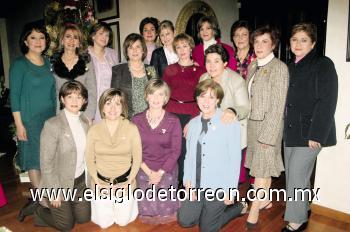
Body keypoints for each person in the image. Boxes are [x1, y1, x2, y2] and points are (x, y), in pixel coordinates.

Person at [282, 23, 338, 232]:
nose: (298, 44)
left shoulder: (323, 64)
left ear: (313, 43)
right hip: (291, 130)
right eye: (295, 39)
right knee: (297, 174)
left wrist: (317, 134)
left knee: (297, 174)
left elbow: (328, 101)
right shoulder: (289, 66)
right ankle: (303, 207)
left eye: (304, 39)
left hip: (312, 132)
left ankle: (297, 220)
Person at [177, 79, 248, 232]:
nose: (206, 101)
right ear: (197, 99)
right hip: (196, 183)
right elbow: (188, 156)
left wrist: (231, 189)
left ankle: (239, 207)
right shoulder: (193, 124)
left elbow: (235, 159)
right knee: (184, 220)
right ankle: (207, 212)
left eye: (211, 97)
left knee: (207, 228)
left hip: (218, 186)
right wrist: (187, 181)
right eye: (202, 96)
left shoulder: (230, 123)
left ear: (218, 100)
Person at [9, 21, 56, 221]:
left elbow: (53, 92)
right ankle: (41, 200)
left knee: (47, 158)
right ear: (26, 41)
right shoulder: (19, 65)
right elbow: (15, 97)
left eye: (42, 37)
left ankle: (44, 195)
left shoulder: (48, 63)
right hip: (29, 120)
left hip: (49, 118)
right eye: (33, 37)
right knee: (34, 160)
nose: (38, 41)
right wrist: (19, 125)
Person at [244, 25, 289, 228]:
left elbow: (277, 107)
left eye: (265, 41)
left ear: (273, 44)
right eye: (256, 41)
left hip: (268, 126)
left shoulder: (279, 68)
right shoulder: (253, 66)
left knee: (262, 170)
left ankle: (254, 209)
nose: (259, 45)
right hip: (252, 125)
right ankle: (265, 200)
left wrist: (267, 137)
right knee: (263, 168)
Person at [34, 81, 91, 231]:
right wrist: (54, 192)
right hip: (58, 182)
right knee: (66, 225)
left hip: (79, 182)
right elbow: (46, 163)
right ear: (62, 99)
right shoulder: (52, 125)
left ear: (84, 100)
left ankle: (69, 205)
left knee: (84, 218)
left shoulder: (85, 121)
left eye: (79, 97)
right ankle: (38, 211)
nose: (74, 101)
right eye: (69, 96)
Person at [85, 88, 142, 228]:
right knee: (104, 224)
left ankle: (130, 201)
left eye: (117, 104)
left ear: (123, 107)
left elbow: (137, 157)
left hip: (125, 182)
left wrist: (129, 182)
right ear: (102, 107)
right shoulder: (94, 130)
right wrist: (97, 182)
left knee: (123, 222)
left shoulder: (131, 128)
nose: (113, 108)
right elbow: (89, 158)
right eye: (108, 103)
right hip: (101, 183)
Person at [132, 79, 181, 224]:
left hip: (166, 167)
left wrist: (159, 173)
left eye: (160, 95)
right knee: (147, 197)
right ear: (146, 96)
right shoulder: (136, 120)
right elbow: (135, 150)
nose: (156, 99)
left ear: (166, 98)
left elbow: (176, 151)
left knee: (164, 198)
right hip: (143, 166)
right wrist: (148, 172)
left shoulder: (173, 120)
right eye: (152, 94)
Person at [199, 44, 250, 183]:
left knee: (228, 175)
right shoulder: (203, 78)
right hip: (211, 132)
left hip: (231, 131)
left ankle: (230, 201)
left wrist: (232, 110)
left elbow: (245, 107)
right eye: (208, 61)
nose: (212, 65)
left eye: (216, 61)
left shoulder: (236, 80)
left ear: (225, 63)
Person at [162, 33, 206, 187]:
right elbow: (164, 94)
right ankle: (171, 182)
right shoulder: (169, 69)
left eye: (185, 46)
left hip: (191, 114)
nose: (182, 50)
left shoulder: (200, 71)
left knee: (188, 152)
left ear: (191, 47)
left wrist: (193, 120)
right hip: (172, 113)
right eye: (178, 47)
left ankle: (185, 183)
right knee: (172, 150)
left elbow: (202, 96)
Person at [51, 24, 97, 121]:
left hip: (82, 113)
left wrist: (88, 117)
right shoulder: (53, 62)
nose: (72, 40)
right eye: (68, 36)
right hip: (61, 114)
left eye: (75, 37)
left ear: (79, 42)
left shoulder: (86, 61)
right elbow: (54, 92)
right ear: (62, 40)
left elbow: (92, 91)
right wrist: (57, 117)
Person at [230, 20, 256, 185]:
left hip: (251, 104)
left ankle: (254, 181)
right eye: (237, 35)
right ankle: (237, 177)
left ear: (250, 37)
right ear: (232, 38)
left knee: (251, 143)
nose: (240, 38)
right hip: (232, 105)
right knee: (235, 141)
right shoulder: (229, 56)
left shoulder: (256, 57)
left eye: (244, 34)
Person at [111, 33, 158, 118]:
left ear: (143, 50)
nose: (134, 50)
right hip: (127, 120)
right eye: (131, 47)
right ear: (127, 51)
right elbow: (114, 99)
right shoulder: (118, 70)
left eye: (138, 47)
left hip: (149, 118)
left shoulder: (151, 69)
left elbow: (157, 95)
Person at [88, 22, 119, 122]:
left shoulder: (113, 54)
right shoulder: (84, 55)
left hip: (111, 102)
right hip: (92, 103)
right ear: (93, 36)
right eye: (101, 33)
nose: (104, 37)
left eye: (107, 35)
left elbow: (117, 79)